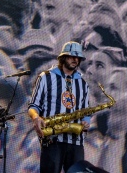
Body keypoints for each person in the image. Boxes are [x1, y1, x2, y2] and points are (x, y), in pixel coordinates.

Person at [28, 41, 91, 173]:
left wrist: (87, 121)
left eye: (78, 57)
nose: (75, 60)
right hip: (52, 140)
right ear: (63, 57)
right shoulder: (45, 77)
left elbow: (86, 111)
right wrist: (35, 117)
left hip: (76, 142)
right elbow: (34, 105)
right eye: (71, 56)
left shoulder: (83, 83)